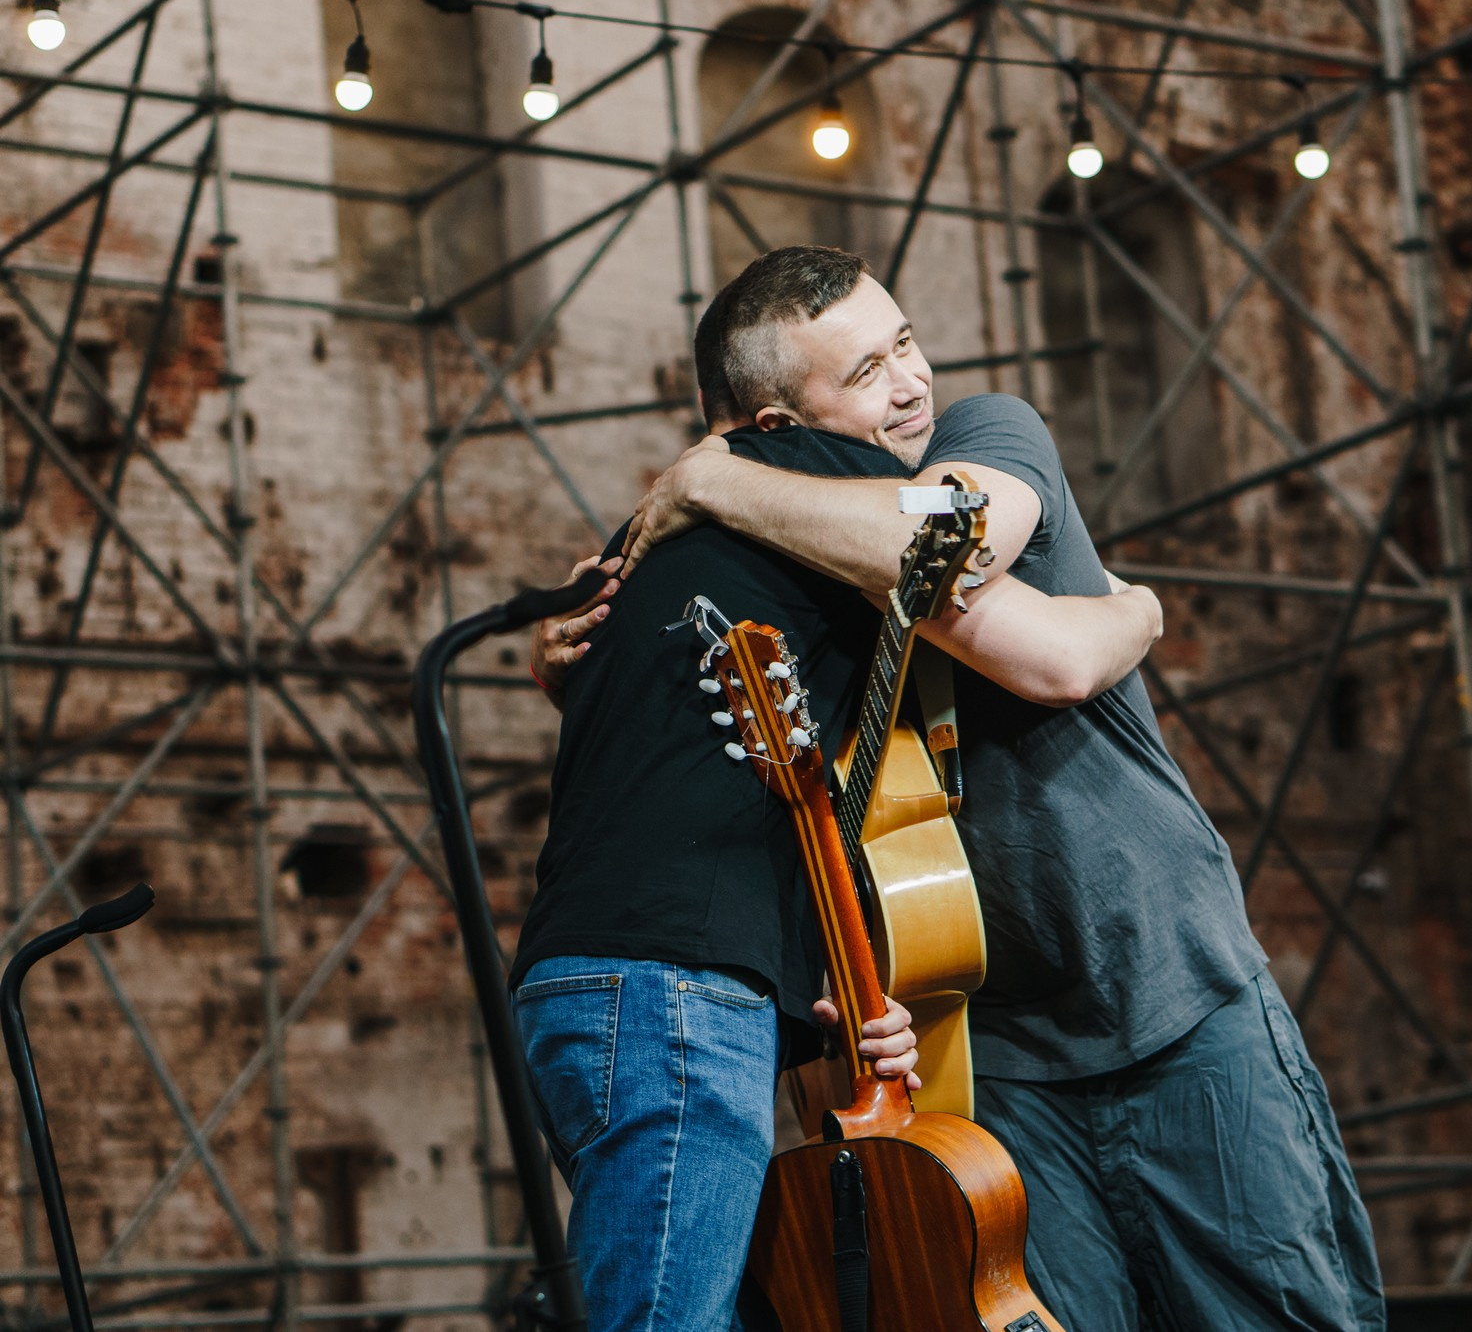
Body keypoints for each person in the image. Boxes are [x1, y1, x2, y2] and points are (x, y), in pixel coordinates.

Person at [538, 246, 1385, 1331]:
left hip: (1168, 991)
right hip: (987, 1056)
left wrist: (706, 477)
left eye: (903, 345)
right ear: (773, 425)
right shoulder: (771, 551)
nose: (908, 383)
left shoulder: (984, 436)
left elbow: (997, 601)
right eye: (863, 374)